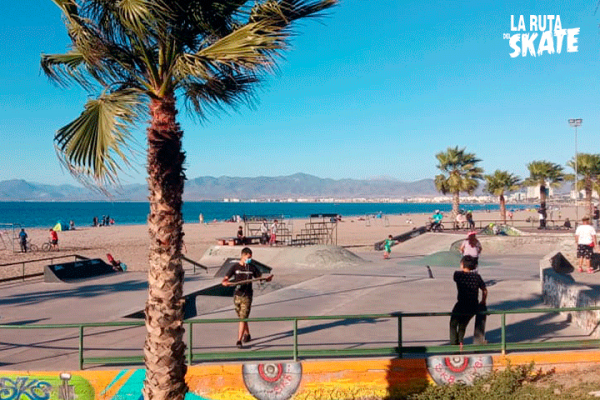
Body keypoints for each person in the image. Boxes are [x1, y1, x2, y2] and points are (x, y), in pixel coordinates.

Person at [221, 248, 272, 348]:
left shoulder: (252, 268)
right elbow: (226, 278)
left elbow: (260, 278)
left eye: (250, 258)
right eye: (248, 257)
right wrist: (225, 283)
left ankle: (239, 340)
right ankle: (247, 334)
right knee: (242, 317)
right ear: (243, 256)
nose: (249, 259)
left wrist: (267, 279)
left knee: (243, 317)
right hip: (237, 295)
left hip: (247, 296)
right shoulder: (235, 267)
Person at [449, 255, 488, 347]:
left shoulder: (457, 275)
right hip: (473, 305)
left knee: (453, 324)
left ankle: (454, 344)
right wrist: (483, 301)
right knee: (463, 324)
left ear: (462, 264)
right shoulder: (477, 277)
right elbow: (485, 290)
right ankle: (461, 342)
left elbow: (455, 279)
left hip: (461, 304)